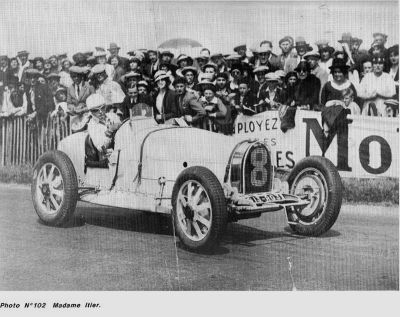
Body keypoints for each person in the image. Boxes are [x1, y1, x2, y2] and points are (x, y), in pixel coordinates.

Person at [85, 93, 122, 160]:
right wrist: (109, 131)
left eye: (102, 108)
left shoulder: (113, 116)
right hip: (107, 158)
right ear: (90, 112)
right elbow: (101, 148)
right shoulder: (92, 125)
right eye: (95, 110)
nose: (101, 112)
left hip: (122, 150)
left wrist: (119, 125)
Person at [67, 65, 95, 132]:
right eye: (74, 77)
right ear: (71, 77)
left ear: (81, 76)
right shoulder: (70, 88)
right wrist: (73, 108)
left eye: (78, 76)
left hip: (88, 115)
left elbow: (94, 102)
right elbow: (69, 103)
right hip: (76, 118)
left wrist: (83, 109)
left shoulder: (89, 86)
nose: (76, 78)